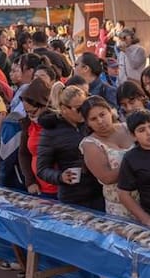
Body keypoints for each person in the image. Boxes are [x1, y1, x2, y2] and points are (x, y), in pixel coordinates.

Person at [36, 83, 104, 211]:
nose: (84, 112)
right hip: (73, 197)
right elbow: (42, 169)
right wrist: (61, 177)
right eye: (79, 109)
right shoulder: (51, 131)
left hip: (100, 192)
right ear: (64, 109)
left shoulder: (91, 122)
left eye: (85, 107)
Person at [80, 95, 135, 218]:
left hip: (148, 198)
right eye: (93, 119)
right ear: (88, 123)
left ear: (110, 111)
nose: (100, 121)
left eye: (102, 114)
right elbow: (107, 178)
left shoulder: (127, 127)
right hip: (120, 208)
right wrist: (135, 160)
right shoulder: (90, 144)